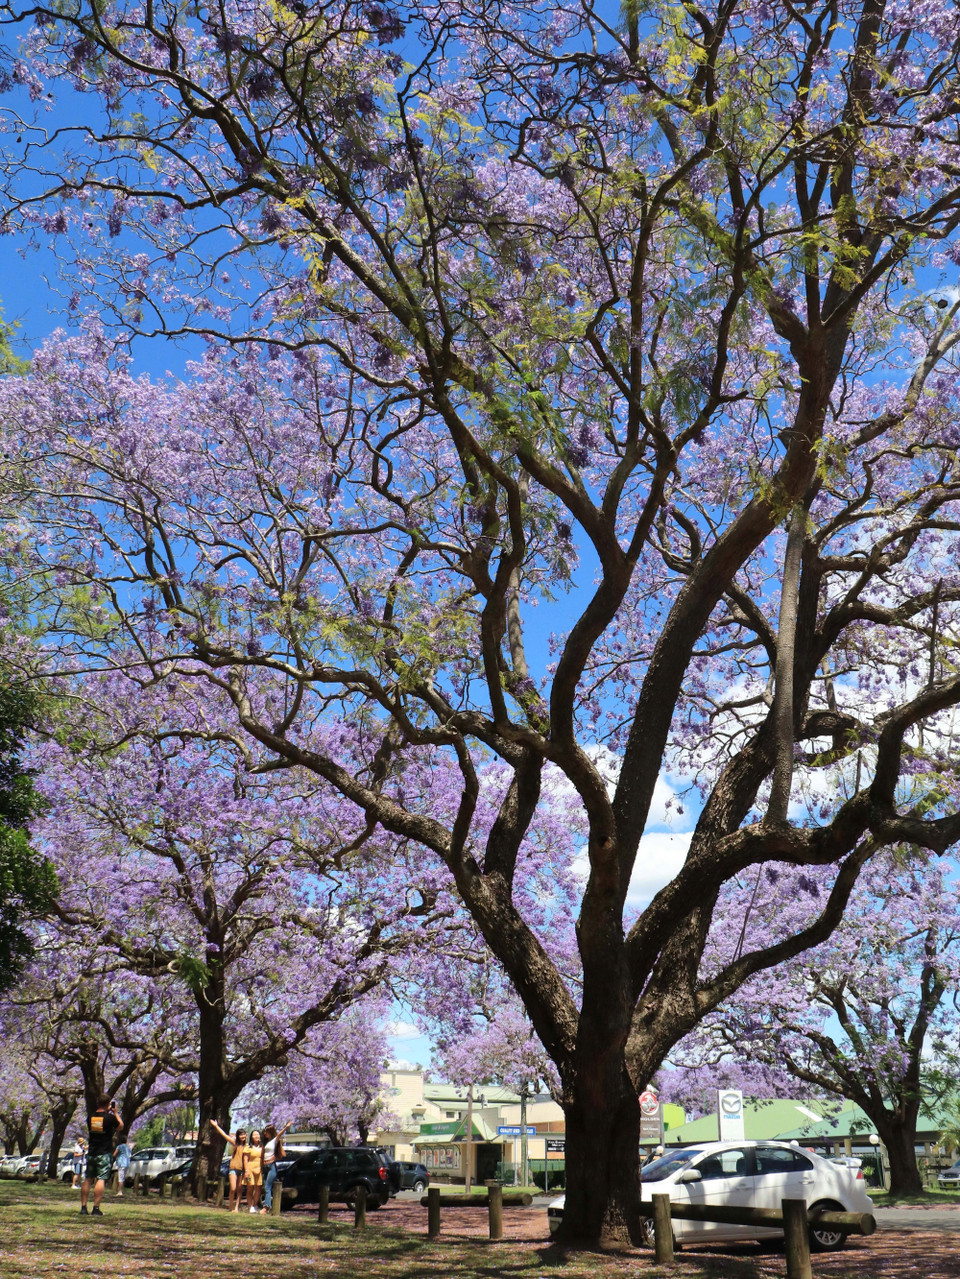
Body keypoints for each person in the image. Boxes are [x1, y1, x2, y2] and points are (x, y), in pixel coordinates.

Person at [80, 1096, 123, 1217]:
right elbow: (120, 1126)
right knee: (101, 1179)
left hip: (92, 1152)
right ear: (108, 1104)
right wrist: (115, 1113)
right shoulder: (110, 1118)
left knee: (88, 1178)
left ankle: (83, 1207)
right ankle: (96, 1208)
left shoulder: (90, 1118)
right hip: (104, 1152)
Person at [210, 1120, 248, 1212]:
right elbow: (225, 1135)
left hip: (242, 1170)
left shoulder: (247, 1146)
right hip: (233, 1169)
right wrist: (216, 1126)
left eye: (244, 1134)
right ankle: (230, 1206)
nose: (243, 1136)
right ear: (238, 1136)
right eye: (241, 1134)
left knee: (239, 1190)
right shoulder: (235, 1143)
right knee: (233, 1188)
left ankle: (236, 1208)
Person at [260, 1120, 293, 1214]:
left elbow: (280, 1134)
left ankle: (266, 1207)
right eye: (264, 1132)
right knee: (266, 1187)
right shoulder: (265, 1142)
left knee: (267, 1187)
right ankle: (267, 1206)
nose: (265, 1134)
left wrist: (286, 1127)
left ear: (270, 1132)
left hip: (271, 1166)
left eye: (267, 1132)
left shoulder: (274, 1140)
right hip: (265, 1166)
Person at [241, 1130, 263, 1214]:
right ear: (251, 1137)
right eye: (254, 1135)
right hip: (250, 1168)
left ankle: (254, 1204)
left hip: (259, 1168)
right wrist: (246, 1170)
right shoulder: (248, 1147)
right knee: (250, 1187)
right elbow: (245, 1159)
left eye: (258, 1134)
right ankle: (250, 1206)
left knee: (258, 1188)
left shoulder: (262, 1147)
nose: (257, 1136)